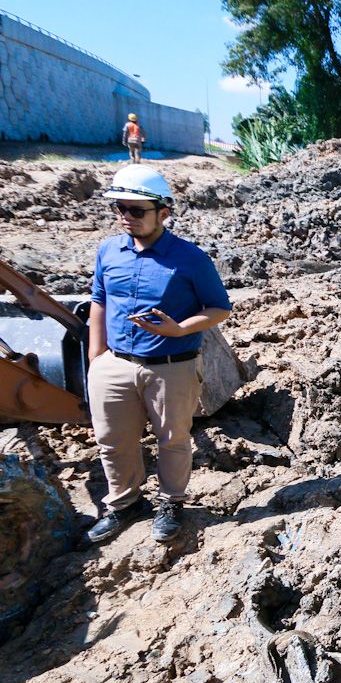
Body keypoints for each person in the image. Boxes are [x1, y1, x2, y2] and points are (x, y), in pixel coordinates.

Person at [84, 164, 232, 544]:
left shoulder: (190, 258)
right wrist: (96, 356)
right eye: (119, 209)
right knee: (113, 440)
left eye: (136, 211)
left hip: (172, 368)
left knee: (173, 439)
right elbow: (98, 301)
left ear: (163, 213)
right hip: (114, 365)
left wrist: (180, 328)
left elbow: (219, 307)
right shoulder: (108, 251)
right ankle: (124, 503)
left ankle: (170, 503)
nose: (126, 218)